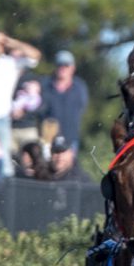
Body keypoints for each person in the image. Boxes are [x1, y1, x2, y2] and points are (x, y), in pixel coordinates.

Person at [0, 31, 41, 177]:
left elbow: (35, 56)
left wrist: (13, 42)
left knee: (4, 159)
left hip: (0, 118)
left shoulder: (10, 63)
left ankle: (2, 194)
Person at [40, 50, 89, 179]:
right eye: (59, 65)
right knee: (48, 169)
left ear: (72, 68)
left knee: (70, 171)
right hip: (49, 139)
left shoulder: (79, 87)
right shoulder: (45, 85)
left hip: (71, 137)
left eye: (66, 65)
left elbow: (82, 109)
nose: (62, 68)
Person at [9, 73, 43, 153]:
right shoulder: (6, 76)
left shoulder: (33, 77)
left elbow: (41, 104)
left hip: (28, 128)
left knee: (31, 158)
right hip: (10, 129)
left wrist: (24, 112)